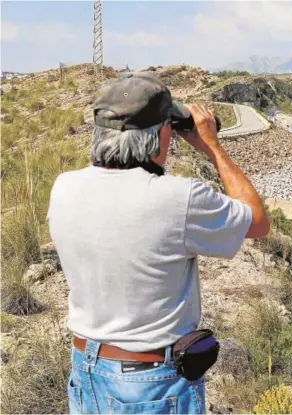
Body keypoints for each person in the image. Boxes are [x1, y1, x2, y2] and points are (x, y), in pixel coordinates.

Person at [46, 71, 270, 414]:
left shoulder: (64, 187)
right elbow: (257, 221)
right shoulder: (179, 198)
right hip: (149, 384)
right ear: (162, 133)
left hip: (85, 369)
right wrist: (211, 146)